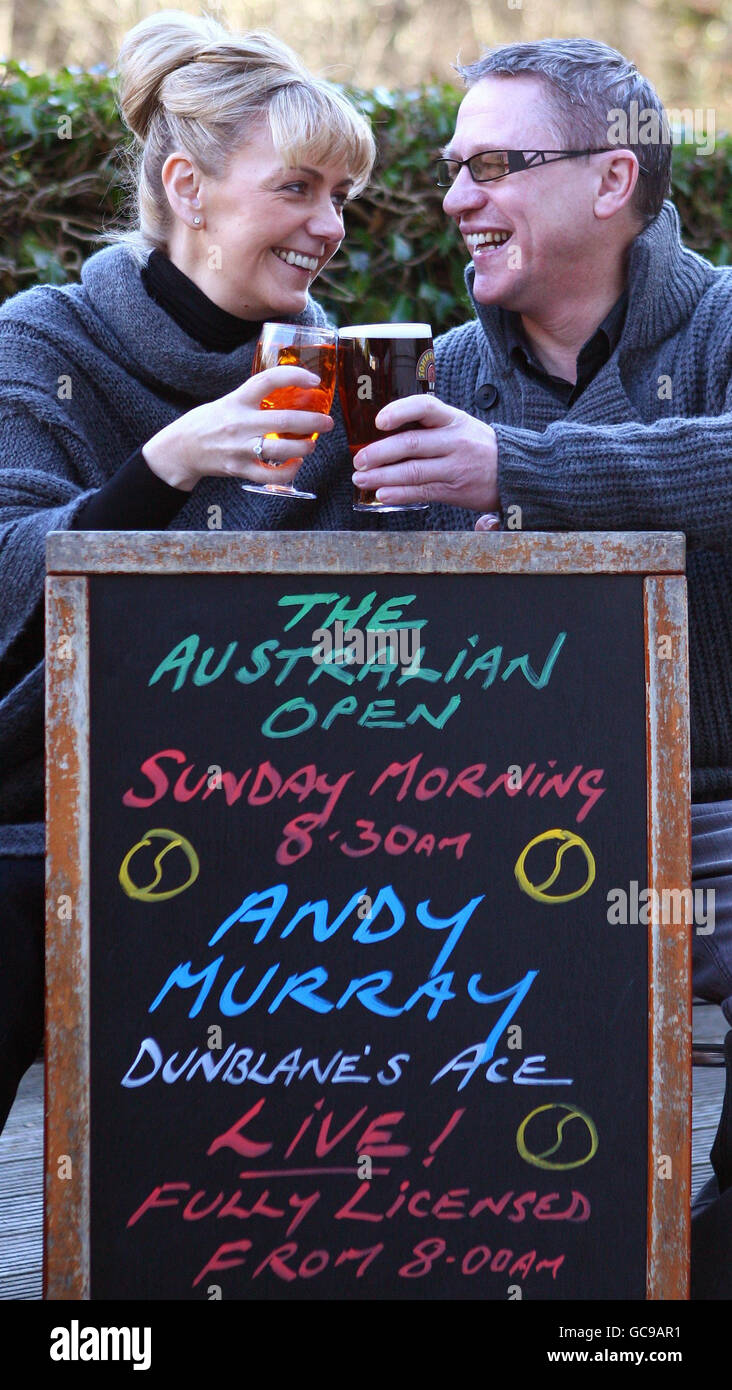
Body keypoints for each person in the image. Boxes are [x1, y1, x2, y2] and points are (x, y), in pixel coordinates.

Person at [0, 10, 474, 1133]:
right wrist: (164, 466)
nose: (330, 228)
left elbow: (397, 639)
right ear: (187, 183)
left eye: (343, 199)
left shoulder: (357, 373)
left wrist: (445, 527)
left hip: (286, 808)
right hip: (47, 805)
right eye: (299, 189)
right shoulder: (46, 343)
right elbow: (11, 570)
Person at [351, 36, 732, 1280]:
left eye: (496, 165)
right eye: (456, 168)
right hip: (501, 823)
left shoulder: (724, 322)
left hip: (723, 818)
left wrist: (517, 474)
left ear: (613, 180)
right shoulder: (447, 369)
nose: (458, 198)